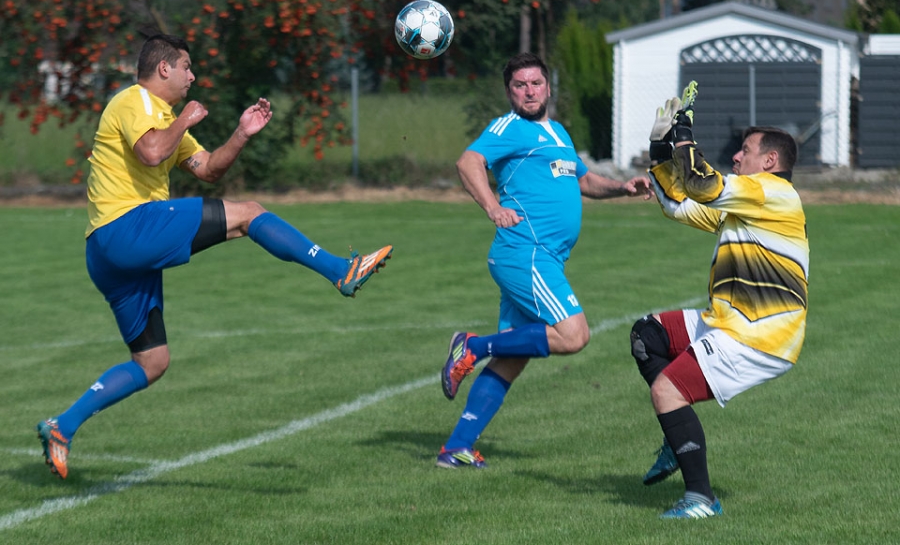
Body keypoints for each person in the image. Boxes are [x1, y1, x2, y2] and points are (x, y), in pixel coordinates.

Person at [36, 34, 393, 479]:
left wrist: (240, 134)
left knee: (153, 362)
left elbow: (208, 170)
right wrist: (184, 120)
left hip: (107, 252)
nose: (193, 76)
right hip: (125, 228)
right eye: (186, 66)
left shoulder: (163, 119)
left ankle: (61, 426)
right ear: (163, 68)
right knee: (250, 214)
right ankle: (341, 270)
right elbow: (151, 153)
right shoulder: (136, 101)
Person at [437, 52, 652, 469]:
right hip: (525, 253)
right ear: (509, 92)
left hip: (543, 256)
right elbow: (468, 162)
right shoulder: (509, 127)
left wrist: (622, 188)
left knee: (514, 357)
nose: (529, 91)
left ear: (548, 87)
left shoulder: (557, 133)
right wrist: (491, 205)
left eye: (535, 83)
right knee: (573, 336)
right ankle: (472, 345)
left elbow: (584, 179)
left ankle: (456, 448)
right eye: (520, 85)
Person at [631, 88, 809, 518]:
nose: (736, 157)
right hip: (731, 322)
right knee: (646, 335)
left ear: (769, 161)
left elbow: (702, 183)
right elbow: (678, 202)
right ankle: (678, 440)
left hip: (762, 334)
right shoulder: (747, 202)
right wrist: (661, 146)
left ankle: (701, 499)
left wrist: (685, 133)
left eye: (744, 151)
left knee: (667, 391)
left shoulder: (771, 193)